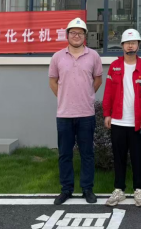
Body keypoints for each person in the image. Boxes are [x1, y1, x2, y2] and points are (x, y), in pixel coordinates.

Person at [49, 18, 103, 206]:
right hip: (64, 114)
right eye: (73, 32)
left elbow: (97, 79)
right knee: (65, 154)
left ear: (85, 36)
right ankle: (66, 189)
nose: (76, 35)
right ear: (67, 35)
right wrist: (63, 97)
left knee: (87, 153)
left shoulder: (93, 56)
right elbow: (53, 81)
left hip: (86, 114)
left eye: (80, 33)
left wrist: (87, 95)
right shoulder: (57, 57)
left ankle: (87, 188)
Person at [103, 29, 141, 208]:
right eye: (127, 43)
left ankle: (139, 189)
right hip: (118, 120)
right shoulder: (115, 66)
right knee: (118, 157)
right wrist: (107, 113)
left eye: (133, 43)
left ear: (138, 45)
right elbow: (108, 92)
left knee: (137, 157)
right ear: (122, 45)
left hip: (137, 121)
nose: (130, 46)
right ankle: (119, 189)